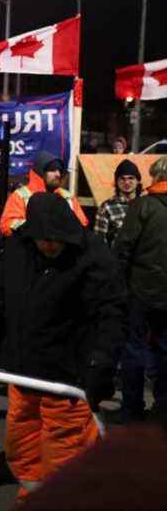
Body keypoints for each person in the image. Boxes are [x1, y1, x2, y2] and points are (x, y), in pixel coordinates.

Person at [0, 192, 127, 503]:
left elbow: (111, 314)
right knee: (22, 443)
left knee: (65, 449)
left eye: (56, 239)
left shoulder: (93, 257)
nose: (50, 245)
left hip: (67, 375)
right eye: (43, 239)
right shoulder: (19, 250)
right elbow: (1, 297)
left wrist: (101, 363)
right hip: (24, 371)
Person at [113, 155, 167, 422]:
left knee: (134, 348)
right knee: (165, 350)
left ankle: (132, 407)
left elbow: (123, 247)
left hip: (140, 291)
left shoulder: (143, 205)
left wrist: (118, 284)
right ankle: (163, 407)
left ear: (157, 177)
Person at [0, 151, 88, 236]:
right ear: (40, 172)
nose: (58, 174)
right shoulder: (20, 196)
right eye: (52, 170)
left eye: (59, 170)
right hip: (28, 248)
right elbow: (8, 224)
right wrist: (38, 229)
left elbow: (82, 224)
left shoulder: (68, 197)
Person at [94, 159, 142, 247]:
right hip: (117, 258)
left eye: (131, 178)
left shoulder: (146, 204)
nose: (126, 182)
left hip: (143, 258)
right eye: (122, 178)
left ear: (138, 181)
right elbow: (99, 241)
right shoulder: (107, 207)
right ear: (116, 181)